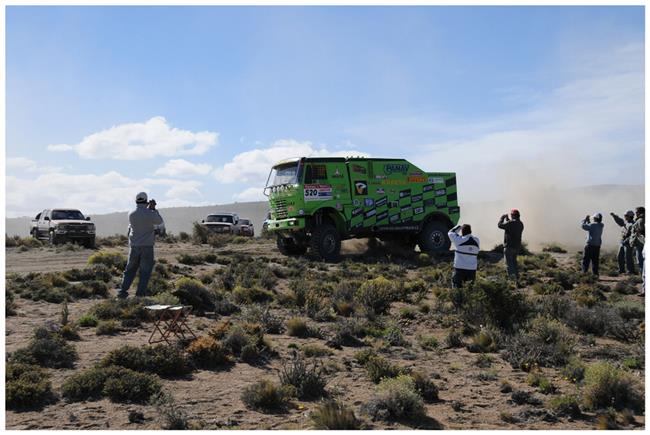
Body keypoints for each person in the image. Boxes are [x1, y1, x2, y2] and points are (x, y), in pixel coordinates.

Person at [118, 192, 164, 299]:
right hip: (147, 246)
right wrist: (153, 209)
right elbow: (159, 221)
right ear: (146, 200)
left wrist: (148, 209)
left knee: (130, 270)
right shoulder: (150, 213)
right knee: (145, 271)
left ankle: (122, 292)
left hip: (134, 246)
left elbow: (141, 216)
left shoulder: (131, 213)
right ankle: (139, 295)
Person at [448, 224, 480, 288]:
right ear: (470, 231)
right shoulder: (477, 241)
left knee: (457, 289)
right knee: (469, 289)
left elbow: (450, 233)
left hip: (459, 269)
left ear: (462, 232)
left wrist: (459, 227)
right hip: (472, 270)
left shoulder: (459, 240)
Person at [497, 209, 524, 283]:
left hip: (509, 247)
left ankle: (512, 280)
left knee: (509, 264)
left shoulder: (511, 223)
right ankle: (517, 279)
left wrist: (502, 218)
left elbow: (500, 225)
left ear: (513, 215)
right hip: (516, 247)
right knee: (514, 263)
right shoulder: (521, 224)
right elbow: (511, 226)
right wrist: (508, 220)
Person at [610, 210, 636, 274]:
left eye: (626, 216)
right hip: (622, 242)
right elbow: (620, 221)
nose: (625, 217)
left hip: (628, 243)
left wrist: (626, 241)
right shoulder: (626, 222)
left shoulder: (633, 224)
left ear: (630, 216)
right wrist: (614, 216)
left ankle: (630, 271)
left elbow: (632, 235)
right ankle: (621, 270)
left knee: (628, 257)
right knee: (620, 256)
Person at [630, 206, 645, 276]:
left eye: (636, 212)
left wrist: (637, 232)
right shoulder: (641, 219)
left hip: (640, 243)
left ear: (639, 212)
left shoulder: (641, 220)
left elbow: (642, 231)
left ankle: (644, 276)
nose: (635, 213)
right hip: (641, 243)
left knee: (641, 261)